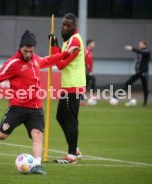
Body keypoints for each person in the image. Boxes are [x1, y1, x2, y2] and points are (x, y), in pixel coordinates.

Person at [0, 30, 79, 174]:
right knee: (0, 135)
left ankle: (37, 165)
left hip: (36, 107)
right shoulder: (12, 63)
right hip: (17, 107)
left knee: (37, 134)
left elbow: (49, 60)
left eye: (31, 51)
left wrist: (67, 53)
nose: (28, 54)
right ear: (20, 48)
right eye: (25, 51)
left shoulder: (35, 59)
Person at [50, 13, 86, 164]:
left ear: (74, 26)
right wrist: (56, 45)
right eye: (63, 24)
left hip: (74, 85)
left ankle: (71, 156)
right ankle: (75, 149)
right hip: (68, 86)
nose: (64, 27)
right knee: (60, 117)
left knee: (71, 121)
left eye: (68, 25)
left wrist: (53, 48)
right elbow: (61, 58)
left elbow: (60, 64)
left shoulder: (75, 41)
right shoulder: (68, 40)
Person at [112, 40, 151, 106]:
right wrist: (135, 70)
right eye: (139, 44)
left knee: (145, 88)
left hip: (144, 73)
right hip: (137, 72)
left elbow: (142, 53)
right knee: (128, 83)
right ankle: (116, 96)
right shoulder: (139, 52)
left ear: (145, 45)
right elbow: (137, 62)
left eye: (141, 44)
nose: (139, 45)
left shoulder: (147, 52)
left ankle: (145, 103)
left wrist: (132, 48)